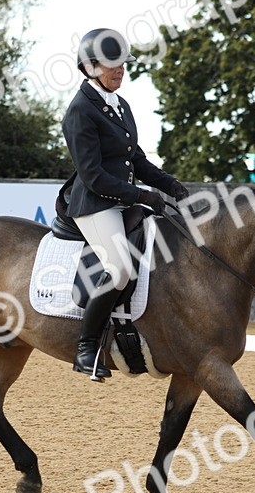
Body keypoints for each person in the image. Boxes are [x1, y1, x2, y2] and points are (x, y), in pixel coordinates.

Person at [62, 28, 189, 380]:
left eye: (123, 65)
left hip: (123, 200)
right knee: (118, 267)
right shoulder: (79, 111)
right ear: (89, 66)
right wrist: (142, 195)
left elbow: (138, 160)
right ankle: (86, 349)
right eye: (111, 65)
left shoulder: (120, 105)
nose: (120, 70)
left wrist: (172, 186)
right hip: (95, 204)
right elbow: (93, 176)